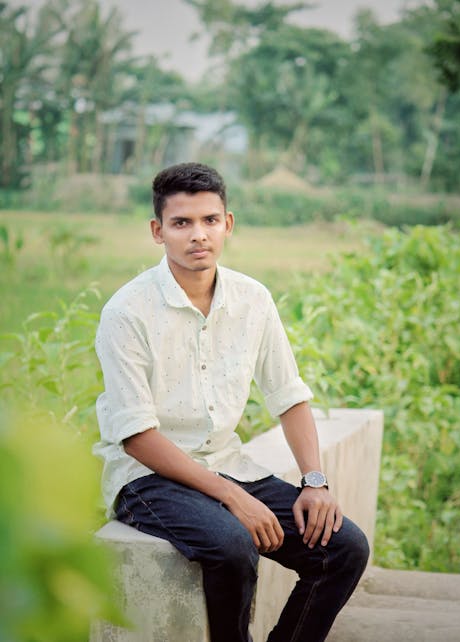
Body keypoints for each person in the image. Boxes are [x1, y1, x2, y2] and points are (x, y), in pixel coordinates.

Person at [94, 162, 369, 642]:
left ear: (228, 224)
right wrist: (230, 497)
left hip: (228, 464)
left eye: (210, 220)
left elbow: (288, 395)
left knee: (343, 546)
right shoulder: (126, 312)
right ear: (158, 231)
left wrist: (314, 481)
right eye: (182, 223)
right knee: (231, 544)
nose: (198, 235)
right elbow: (136, 436)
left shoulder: (253, 299)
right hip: (147, 480)